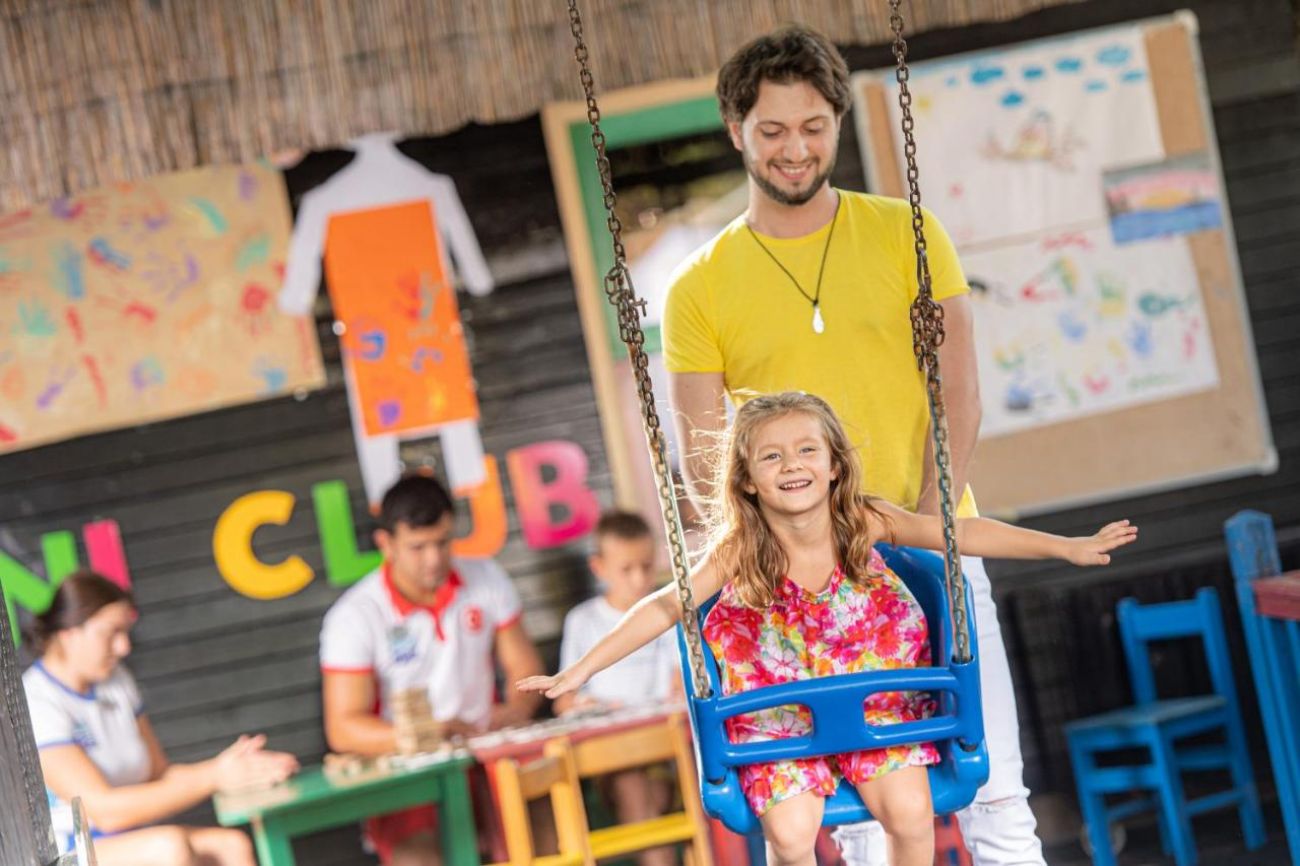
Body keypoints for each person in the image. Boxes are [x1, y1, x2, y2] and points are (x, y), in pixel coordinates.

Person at [660, 23, 1047, 866]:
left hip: (932, 539)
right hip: (803, 580)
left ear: (836, 121)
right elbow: (701, 454)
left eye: (812, 127)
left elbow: (958, 392)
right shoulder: (699, 287)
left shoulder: (909, 233)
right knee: (865, 812)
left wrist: (928, 532)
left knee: (993, 788)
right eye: (771, 130)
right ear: (736, 131)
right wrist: (769, 557)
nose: (794, 149)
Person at [519, 392, 1137, 866]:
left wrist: (1066, 547)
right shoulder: (740, 549)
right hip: (782, 722)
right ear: (747, 478)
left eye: (807, 450)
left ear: (835, 464)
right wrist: (580, 670)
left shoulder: (863, 522)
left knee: (912, 814)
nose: (792, 465)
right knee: (791, 835)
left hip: (877, 709)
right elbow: (664, 607)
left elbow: (960, 534)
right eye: (771, 455)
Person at [319, 472, 545, 866]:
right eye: (417, 547)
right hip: (409, 773)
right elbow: (343, 728)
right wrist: (428, 733)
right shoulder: (354, 616)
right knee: (417, 859)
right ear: (386, 544)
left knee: (546, 824)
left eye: (442, 542)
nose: (434, 558)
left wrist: (515, 710)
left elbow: (524, 668)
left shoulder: (486, 576)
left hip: (487, 753)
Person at [23, 570, 298, 866]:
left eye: (126, 632)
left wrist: (239, 769)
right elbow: (104, 812)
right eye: (111, 632)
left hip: (134, 835)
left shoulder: (117, 680)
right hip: (71, 850)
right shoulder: (38, 700)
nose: (124, 647)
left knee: (232, 845)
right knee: (169, 848)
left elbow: (160, 775)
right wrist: (213, 776)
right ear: (69, 633)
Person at [556, 510, 682, 866]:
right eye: (627, 569)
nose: (640, 578)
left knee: (639, 790)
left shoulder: (667, 612)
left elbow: (678, 684)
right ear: (599, 567)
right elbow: (563, 701)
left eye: (646, 566)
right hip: (606, 757)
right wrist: (584, 706)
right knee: (631, 785)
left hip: (663, 752)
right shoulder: (583, 621)